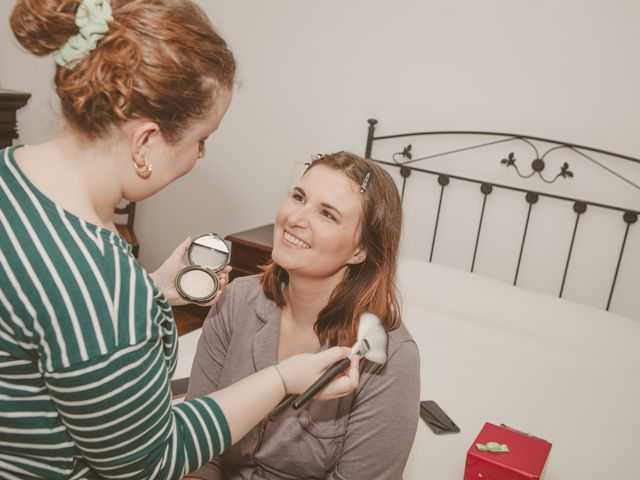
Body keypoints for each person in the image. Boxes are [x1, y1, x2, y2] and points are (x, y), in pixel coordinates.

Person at [0, 1, 360, 479]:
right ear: (145, 142)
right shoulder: (101, 282)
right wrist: (282, 378)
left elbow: (51, 315)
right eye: (201, 138)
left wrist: (147, 291)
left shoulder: (13, 170)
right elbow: (148, 461)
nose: (201, 155)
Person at [185, 152, 421, 480]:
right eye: (299, 197)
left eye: (328, 214)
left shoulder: (389, 357)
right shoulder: (238, 300)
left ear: (360, 250)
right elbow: (196, 447)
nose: (296, 218)